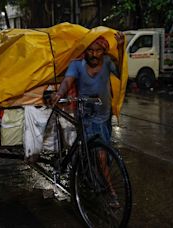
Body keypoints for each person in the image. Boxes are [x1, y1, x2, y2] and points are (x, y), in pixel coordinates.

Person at [52, 32, 125, 208]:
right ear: (85, 51)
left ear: (104, 52)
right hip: (85, 115)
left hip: (103, 116)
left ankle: (100, 182)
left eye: (98, 50)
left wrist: (121, 48)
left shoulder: (107, 63)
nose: (94, 54)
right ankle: (111, 192)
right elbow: (67, 81)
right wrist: (59, 93)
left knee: (102, 154)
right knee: (97, 154)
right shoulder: (77, 65)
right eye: (90, 50)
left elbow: (121, 72)